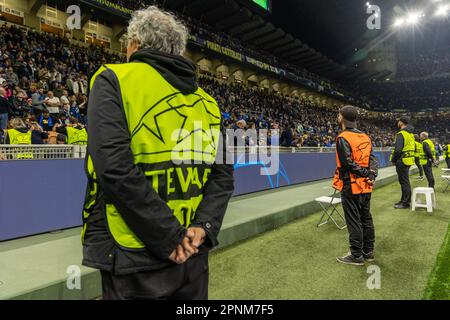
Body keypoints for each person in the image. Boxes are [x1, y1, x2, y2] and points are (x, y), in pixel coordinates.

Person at [82, 6, 234, 300]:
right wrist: (202, 227)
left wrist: (170, 238)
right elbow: (223, 176)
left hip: (133, 253)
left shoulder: (113, 78)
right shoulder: (209, 103)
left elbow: (114, 168)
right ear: (177, 50)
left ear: (135, 44)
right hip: (193, 252)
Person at [332, 106, 378, 266]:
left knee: (354, 220)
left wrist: (365, 173)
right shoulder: (366, 136)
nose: (338, 117)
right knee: (366, 217)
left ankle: (356, 255)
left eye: (338, 115)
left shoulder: (342, 137)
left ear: (342, 117)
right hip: (366, 185)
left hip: (351, 185)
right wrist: (371, 174)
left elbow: (347, 163)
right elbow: (373, 158)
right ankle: (368, 252)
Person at [391, 117, 415, 209]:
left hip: (402, 160)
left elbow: (397, 150)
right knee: (405, 181)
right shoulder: (410, 134)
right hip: (408, 160)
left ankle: (405, 203)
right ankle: (404, 200)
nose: (398, 122)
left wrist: (393, 160)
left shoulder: (401, 133)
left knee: (404, 182)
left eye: (399, 121)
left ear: (401, 122)